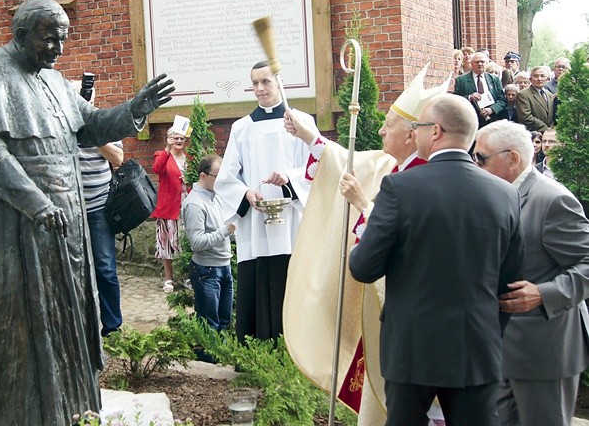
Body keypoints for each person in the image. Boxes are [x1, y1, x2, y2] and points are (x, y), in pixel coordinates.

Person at [0, 0, 175, 425]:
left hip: (65, 223)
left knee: (65, 319)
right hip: (14, 224)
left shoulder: (53, 81)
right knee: (19, 326)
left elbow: (92, 127)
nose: (58, 49)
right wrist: (37, 204)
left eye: (63, 40)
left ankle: (69, 407)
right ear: (21, 35)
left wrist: (135, 109)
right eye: (50, 39)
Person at [283, 65, 450, 424]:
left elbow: (409, 240)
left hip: (413, 319)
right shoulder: (391, 164)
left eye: (388, 124)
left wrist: (363, 204)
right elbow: (345, 161)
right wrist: (309, 136)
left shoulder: (427, 177)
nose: (380, 129)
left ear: (411, 135)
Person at [349, 94, 524, 426]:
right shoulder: (506, 194)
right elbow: (510, 282)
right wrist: (486, 327)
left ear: (437, 131)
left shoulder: (400, 188)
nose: (414, 134)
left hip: (412, 347)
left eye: (418, 127)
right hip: (477, 346)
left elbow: (363, 267)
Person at [474, 120, 589, 426]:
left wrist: (543, 293)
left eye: (481, 158)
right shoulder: (494, 194)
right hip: (498, 349)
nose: (475, 165)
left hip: (543, 352)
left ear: (512, 158)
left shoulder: (552, 199)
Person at [214, 60, 315, 342]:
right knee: (257, 280)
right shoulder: (242, 128)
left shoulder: (301, 122)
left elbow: (316, 165)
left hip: (292, 221)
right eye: (255, 83)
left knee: (291, 278)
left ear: (279, 82)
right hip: (256, 223)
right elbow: (225, 179)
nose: (259, 89)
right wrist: (246, 193)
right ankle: (256, 348)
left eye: (265, 82)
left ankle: (296, 348)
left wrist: (289, 178)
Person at [182, 154, 236, 335]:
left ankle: (220, 361)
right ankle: (207, 362)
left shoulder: (217, 197)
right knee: (209, 325)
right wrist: (225, 231)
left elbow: (226, 231)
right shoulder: (194, 204)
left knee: (224, 321)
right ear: (203, 175)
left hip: (224, 266)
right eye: (217, 176)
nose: (221, 181)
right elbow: (196, 243)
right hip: (207, 271)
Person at [78, 140, 124, 337]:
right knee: (73, 270)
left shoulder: (101, 120)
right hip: (68, 207)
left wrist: (92, 134)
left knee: (105, 268)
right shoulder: (59, 118)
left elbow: (118, 158)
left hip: (99, 207)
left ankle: (112, 327)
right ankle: (80, 327)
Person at [151, 126, 188, 293]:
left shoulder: (190, 158)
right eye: (175, 138)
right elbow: (157, 169)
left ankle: (187, 276)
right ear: (169, 139)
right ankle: (169, 278)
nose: (178, 141)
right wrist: (167, 149)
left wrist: (190, 178)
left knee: (187, 243)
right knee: (166, 243)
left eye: (181, 138)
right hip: (168, 207)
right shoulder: (162, 155)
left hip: (187, 205)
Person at [454, 51, 507, 126]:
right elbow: (456, 99)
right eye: (477, 62)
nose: (480, 64)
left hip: (491, 121)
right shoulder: (461, 80)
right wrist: (469, 97)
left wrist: (492, 109)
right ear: (472, 63)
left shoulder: (495, 79)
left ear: (486, 63)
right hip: (470, 121)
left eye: (482, 62)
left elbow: (502, 100)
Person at [516, 65, 555, 133]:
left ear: (547, 78)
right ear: (530, 79)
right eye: (536, 76)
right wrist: (546, 129)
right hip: (533, 134)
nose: (539, 79)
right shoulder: (523, 94)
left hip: (549, 134)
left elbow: (552, 115)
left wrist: (551, 129)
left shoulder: (549, 95)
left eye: (542, 76)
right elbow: (525, 117)